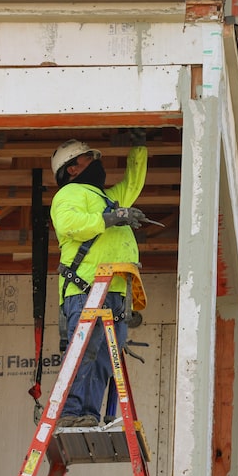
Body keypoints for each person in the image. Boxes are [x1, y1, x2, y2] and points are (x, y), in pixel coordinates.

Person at [49, 131, 148, 428]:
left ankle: (87, 414)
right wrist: (110, 219)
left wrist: (139, 145)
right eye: (88, 157)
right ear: (72, 169)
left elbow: (132, 185)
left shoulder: (105, 199)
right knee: (86, 352)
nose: (95, 161)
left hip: (114, 289)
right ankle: (70, 411)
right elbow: (69, 224)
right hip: (87, 287)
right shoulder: (68, 195)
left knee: (104, 358)